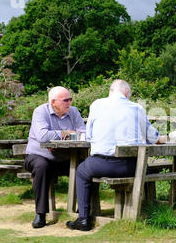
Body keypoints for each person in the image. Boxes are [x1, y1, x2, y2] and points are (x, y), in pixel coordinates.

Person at [66, 79, 166, 231]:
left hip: (101, 165)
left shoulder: (97, 105)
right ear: (127, 94)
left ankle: (84, 218)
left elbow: (89, 136)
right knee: (148, 167)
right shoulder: (138, 108)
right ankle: (146, 208)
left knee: (81, 171)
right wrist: (162, 138)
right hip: (133, 166)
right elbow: (152, 137)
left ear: (110, 91)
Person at [25, 86, 86, 228]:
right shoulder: (40, 112)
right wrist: (66, 133)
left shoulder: (74, 112)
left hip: (65, 157)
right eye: (65, 100)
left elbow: (83, 134)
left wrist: (58, 138)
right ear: (53, 102)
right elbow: (43, 136)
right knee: (42, 166)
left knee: (86, 167)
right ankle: (40, 214)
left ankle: (83, 210)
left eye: (70, 99)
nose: (69, 103)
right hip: (39, 155)